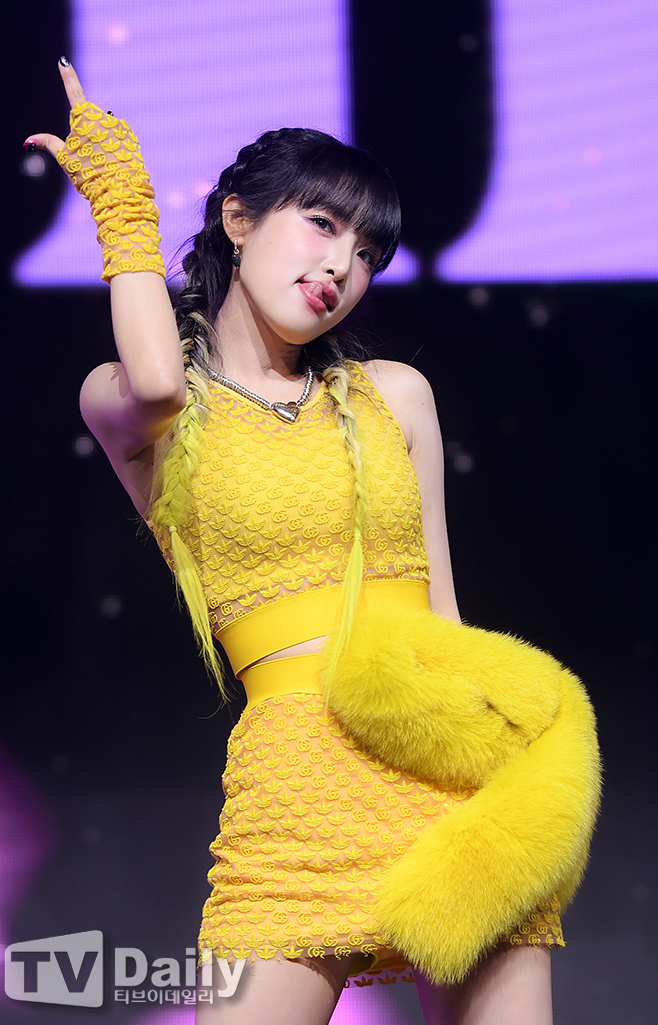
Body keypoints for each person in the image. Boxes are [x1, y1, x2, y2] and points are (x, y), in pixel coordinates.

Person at [27, 60, 588, 1025]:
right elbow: (156, 379)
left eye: (367, 253)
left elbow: (446, 615)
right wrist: (124, 210)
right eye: (322, 224)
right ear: (237, 219)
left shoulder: (395, 395)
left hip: (451, 779)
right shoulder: (145, 408)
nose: (341, 266)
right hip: (294, 795)